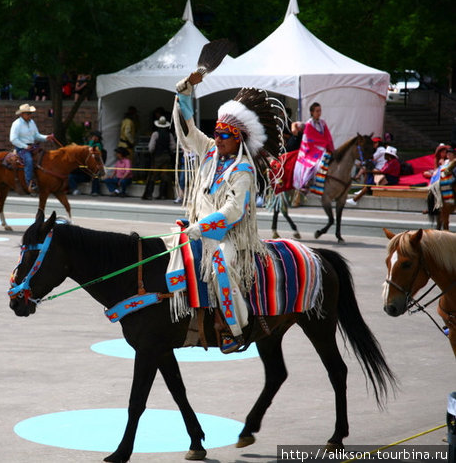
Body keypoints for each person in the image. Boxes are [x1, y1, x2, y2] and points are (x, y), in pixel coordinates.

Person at [173, 71, 286, 353]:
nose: (219, 138)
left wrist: (204, 226)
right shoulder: (210, 152)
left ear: (239, 139)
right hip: (199, 229)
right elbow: (188, 132)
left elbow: (233, 210)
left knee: (220, 264)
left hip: (230, 238)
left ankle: (233, 330)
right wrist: (184, 93)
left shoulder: (244, 171)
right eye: (217, 132)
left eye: (225, 135)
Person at [9, 103, 54, 193]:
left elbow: (36, 135)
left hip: (32, 147)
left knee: (45, 157)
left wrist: (46, 137)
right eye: (28, 113)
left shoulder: (32, 122)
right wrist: (25, 146)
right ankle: (29, 183)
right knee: (29, 160)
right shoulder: (16, 124)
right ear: (22, 114)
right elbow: (13, 139)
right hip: (21, 148)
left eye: (30, 113)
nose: (30, 115)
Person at [292, 102, 334, 192]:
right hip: (311, 150)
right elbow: (309, 139)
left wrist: (329, 146)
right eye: (317, 111)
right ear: (312, 112)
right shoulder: (309, 124)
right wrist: (321, 144)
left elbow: (327, 136)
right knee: (315, 165)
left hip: (322, 148)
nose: (319, 113)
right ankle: (306, 182)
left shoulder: (322, 123)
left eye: (320, 111)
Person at [142, 115, 175, 200]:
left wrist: (152, 153)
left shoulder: (155, 134)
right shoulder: (170, 134)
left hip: (157, 156)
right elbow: (173, 147)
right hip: (167, 156)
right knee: (165, 175)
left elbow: (151, 147)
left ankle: (149, 194)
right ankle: (163, 195)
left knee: (153, 175)